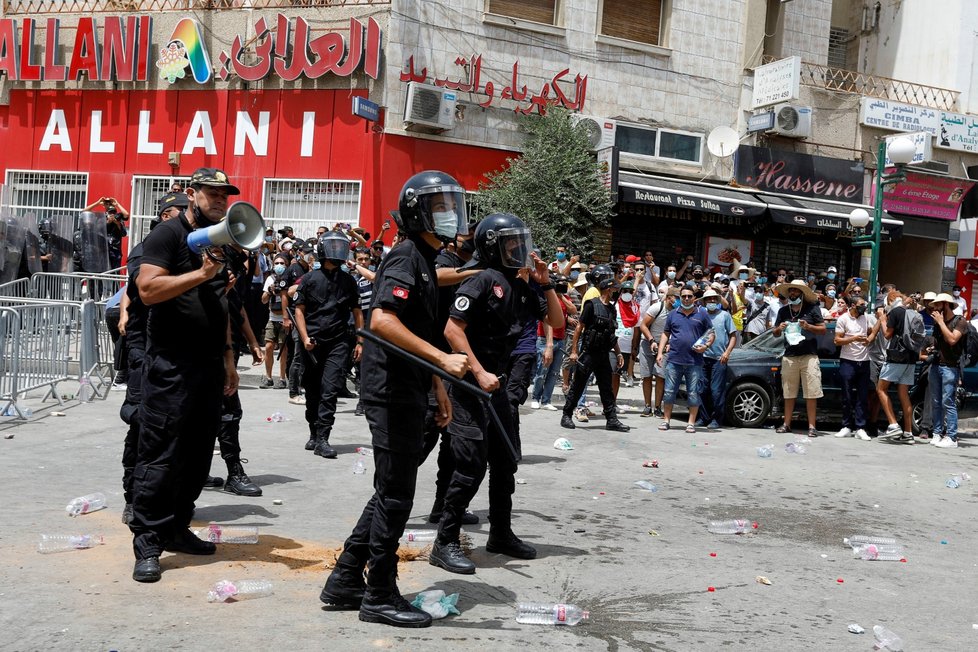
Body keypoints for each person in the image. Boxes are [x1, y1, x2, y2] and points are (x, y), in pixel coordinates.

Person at [319, 171, 469, 628]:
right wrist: (443, 362)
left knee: (391, 490)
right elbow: (383, 320)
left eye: (452, 205)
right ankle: (379, 593)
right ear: (416, 211)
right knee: (396, 496)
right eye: (440, 205)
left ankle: (346, 578)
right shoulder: (406, 256)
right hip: (388, 390)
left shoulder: (427, 258)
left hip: (410, 387)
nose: (449, 214)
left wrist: (436, 385)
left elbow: (419, 326)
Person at [429, 213, 563, 575]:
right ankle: (445, 542)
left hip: (498, 388)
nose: (520, 248)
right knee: (469, 465)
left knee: (505, 463)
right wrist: (478, 369)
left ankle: (501, 534)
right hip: (470, 385)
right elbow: (452, 330)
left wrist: (545, 283)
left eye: (522, 241)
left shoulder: (519, 285)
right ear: (493, 246)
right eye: (511, 242)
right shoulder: (483, 280)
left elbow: (556, 321)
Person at [128, 168, 241, 583]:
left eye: (224, 195)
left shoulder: (219, 241)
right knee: (161, 454)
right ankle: (147, 542)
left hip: (209, 366)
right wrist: (200, 274)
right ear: (191, 193)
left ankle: (177, 528)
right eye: (212, 194)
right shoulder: (168, 236)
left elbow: (219, 305)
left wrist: (229, 357)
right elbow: (148, 290)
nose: (219, 201)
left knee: (196, 455)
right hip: (171, 368)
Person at [118, 192, 182, 524]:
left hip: (178, 348)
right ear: (165, 215)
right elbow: (141, 286)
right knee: (141, 421)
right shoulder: (151, 246)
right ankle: (134, 496)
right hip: (147, 345)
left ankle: (170, 499)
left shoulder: (193, 247)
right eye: (180, 212)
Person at [294, 231, 363, 458]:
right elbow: (299, 311)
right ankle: (314, 433)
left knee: (330, 389)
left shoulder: (348, 281)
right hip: (312, 342)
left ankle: (324, 438)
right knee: (312, 389)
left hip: (339, 341)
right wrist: (304, 338)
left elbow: (357, 311)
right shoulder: (309, 279)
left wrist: (360, 340)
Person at [559, 264, 630, 432]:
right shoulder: (592, 304)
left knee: (606, 388)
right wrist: (574, 351)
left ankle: (611, 419)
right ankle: (566, 415)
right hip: (588, 353)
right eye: (613, 289)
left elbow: (611, 335)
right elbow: (579, 328)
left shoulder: (611, 309)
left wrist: (618, 353)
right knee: (577, 386)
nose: (615, 292)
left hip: (603, 354)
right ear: (606, 289)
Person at [772, 279, 826, 437]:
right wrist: (779, 328)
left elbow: (823, 330)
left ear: (802, 294)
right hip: (790, 356)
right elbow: (774, 332)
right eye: (791, 291)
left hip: (809, 356)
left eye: (796, 291)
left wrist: (808, 327)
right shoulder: (783, 311)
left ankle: (811, 427)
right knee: (788, 392)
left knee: (811, 393)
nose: (793, 293)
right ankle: (786, 424)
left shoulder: (812, 309)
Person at [656, 286, 713, 432]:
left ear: (694, 297)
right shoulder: (673, 314)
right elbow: (665, 334)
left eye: (689, 296)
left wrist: (705, 346)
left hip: (695, 362)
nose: (686, 299)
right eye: (684, 296)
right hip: (674, 360)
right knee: (669, 392)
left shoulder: (702, 314)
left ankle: (691, 423)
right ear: (680, 298)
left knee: (693, 393)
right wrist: (660, 353)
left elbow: (711, 333)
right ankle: (666, 420)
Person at [876, 291, 923, 444]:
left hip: (896, 357)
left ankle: (893, 424)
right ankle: (908, 433)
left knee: (881, 389)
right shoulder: (912, 313)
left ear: (890, 301)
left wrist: (883, 320)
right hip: (910, 358)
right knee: (904, 394)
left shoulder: (896, 312)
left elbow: (887, 334)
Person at [928, 293, 969, 449]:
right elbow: (940, 343)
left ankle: (952, 437)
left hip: (950, 367)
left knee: (948, 402)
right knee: (936, 401)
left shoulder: (960, 322)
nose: (935, 309)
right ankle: (937, 433)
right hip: (937, 365)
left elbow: (952, 339)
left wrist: (940, 322)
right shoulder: (938, 323)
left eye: (937, 305)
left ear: (945, 304)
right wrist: (933, 348)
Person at [833, 297, 875, 440]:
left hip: (864, 361)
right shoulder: (843, 319)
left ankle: (860, 427)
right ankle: (846, 426)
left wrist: (870, 338)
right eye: (861, 305)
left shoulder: (866, 318)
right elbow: (837, 340)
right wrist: (853, 339)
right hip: (848, 361)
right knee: (847, 396)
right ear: (852, 305)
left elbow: (872, 330)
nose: (864, 307)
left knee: (863, 396)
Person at [530, 275, 574, 410]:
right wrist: (549, 344)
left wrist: (561, 297)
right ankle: (535, 397)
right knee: (541, 371)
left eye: (564, 284)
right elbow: (546, 320)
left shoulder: (563, 298)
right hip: (544, 339)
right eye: (560, 284)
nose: (562, 286)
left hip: (560, 339)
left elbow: (573, 310)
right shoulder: (547, 297)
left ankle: (546, 400)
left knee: (554, 373)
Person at [698, 289, 736, 430]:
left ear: (718, 300)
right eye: (709, 299)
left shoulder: (725, 315)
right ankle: (703, 417)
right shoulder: (700, 315)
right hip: (702, 358)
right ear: (704, 302)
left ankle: (716, 419)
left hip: (719, 359)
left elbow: (733, 335)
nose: (712, 301)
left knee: (716, 391)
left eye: (714, 299)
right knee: (702, 390)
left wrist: (727, 352)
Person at [639, 287, 678, 417]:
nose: (678, 300)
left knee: (660, 376)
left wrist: (670, 343)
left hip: (666, 346)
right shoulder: (657, 308)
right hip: (648, 343)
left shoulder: (678, 312)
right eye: (676, 298)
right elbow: (643, 325)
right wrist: (651, 341)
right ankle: (647, 406)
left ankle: (657, 407)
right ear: (668, 298)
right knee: (647, 376)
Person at [260, 254, 290, 390]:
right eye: (276, 263)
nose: (279, 266)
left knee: (284, 350)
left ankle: (282, 378)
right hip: (272, 318)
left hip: (285, 319)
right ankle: (268, 377)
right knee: (268, 347)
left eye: (282, 263)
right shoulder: (269, 279)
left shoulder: (289, 279)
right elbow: (263, 300)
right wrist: (271, 291)